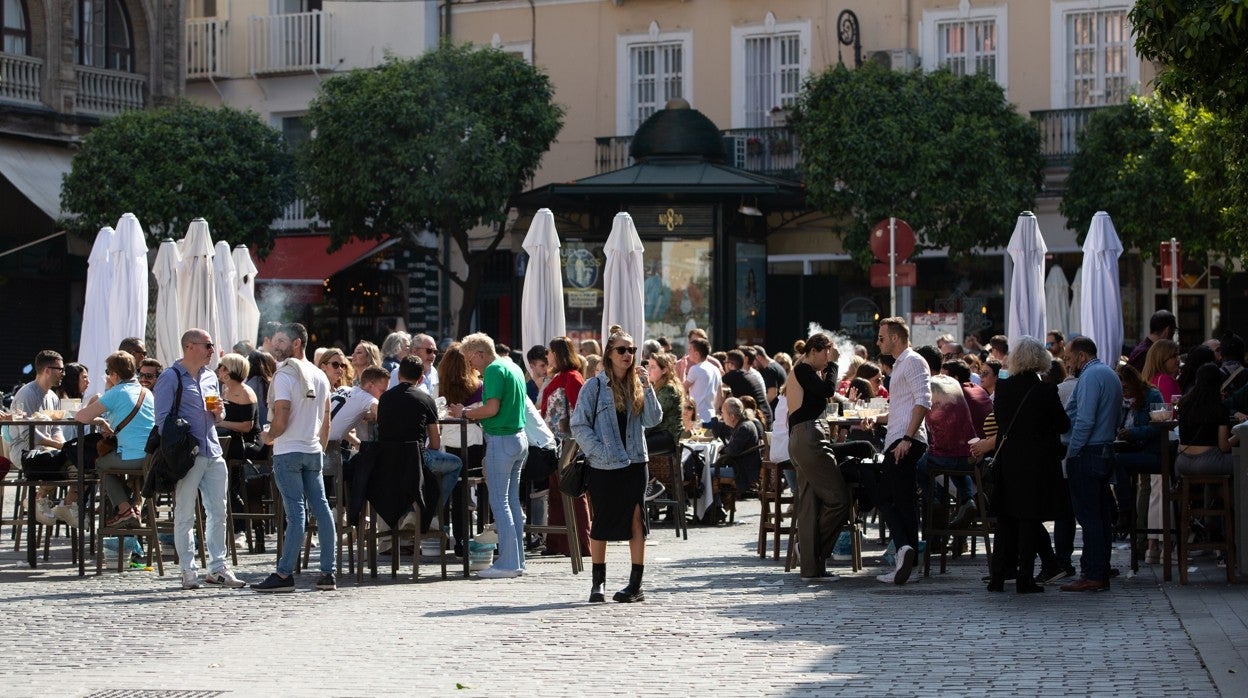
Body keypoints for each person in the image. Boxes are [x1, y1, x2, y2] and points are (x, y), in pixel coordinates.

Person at [570, 328, 662, 603]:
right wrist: (598, 452)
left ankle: (636, 585)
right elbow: (579, 424)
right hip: (604, 465)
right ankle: (598, 584)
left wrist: (647, 387)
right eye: (622, 350)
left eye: (632, 350)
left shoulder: (637, 383)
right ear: (609, 354)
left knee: (636, 519)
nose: (628, 355)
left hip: (635, 461)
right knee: (601, 521)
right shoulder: (594, 386)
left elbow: (653, 420)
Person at [157, 329, 245, 590]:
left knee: (218, 511)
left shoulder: (210, 377)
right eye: (208, 345)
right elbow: (161, 421)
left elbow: (218, 415)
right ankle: (188, 570)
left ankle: (218, 568)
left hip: (214, 450)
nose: (211, 350)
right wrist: (180, 448)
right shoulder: (170, 377)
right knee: (185, 513)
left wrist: (220, 412)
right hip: (189, 454)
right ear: (190, 346)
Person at [984, 336, 1071, 594]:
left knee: (1006, 520)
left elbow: (1000, 419)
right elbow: (1063, 424)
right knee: (1029, 521)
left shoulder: (1004, 388)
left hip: (1009, 460)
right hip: (1036, 464)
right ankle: (1025, 578)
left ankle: (997, 577)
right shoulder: (1045, 390)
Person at [254, 323, 337, 593]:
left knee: (296, 512)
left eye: (281, 341)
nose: (275, 346)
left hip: (288, 449)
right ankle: (328, 572)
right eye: (274, 341)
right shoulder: (321, 375)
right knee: (322, 510)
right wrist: (320, 448)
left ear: (297, 343)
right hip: (312, 449)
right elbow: (326, 420)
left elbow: (281, 417)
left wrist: (269, 437)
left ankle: (284, 573)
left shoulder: (284, 375)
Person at [449, 333, 529, 579]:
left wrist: (464, 413)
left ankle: (507, 563)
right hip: (518, 438)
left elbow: (492, 408)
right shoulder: (511, 365)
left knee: (500, 502)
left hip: (502, 439)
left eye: (469, 359)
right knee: (512, 502)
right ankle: (517, 560)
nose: (469, 365)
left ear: (480, 354)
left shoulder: (494, 370)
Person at [782, 332, 852, 581]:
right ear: (815, 351)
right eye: (826, 353)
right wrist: (834, 364)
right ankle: (808, 551)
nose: (828, 359)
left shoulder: (803, 369)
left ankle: (812, 567)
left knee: (810, 505)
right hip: (809, 437)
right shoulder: (803, 369)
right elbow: (827, 390)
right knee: (839, 499)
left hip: (803, 438)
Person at [871, 317, 931, 585]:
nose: (878, 342)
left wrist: (907, 438)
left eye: (881, 337)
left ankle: (906, 551)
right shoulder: (900, 365)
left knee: (888, 495)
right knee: (899, 498)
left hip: (905, 440)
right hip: (899, 437)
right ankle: (908, 556)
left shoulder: (914, 361)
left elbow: (923, 401)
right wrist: (877, 418)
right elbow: (903, 406)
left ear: (895, 337)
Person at [1060, 336, 1122, 592]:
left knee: (1090, 517)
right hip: (1104, 449)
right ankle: (1099, 569)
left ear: (1082, 356)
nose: (1067, 362)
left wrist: (1073, 452)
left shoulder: (1090, 376)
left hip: (1089, 452)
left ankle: (1094, 573)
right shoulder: (1108, 373)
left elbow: (1084, 419)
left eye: (1069, 357)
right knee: (1100, 516)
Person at [378, 356, 462, 532]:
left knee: (410, 472)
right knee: (456, 464)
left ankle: (411, 511)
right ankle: (432, 513)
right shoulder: (426, 399)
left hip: (387, 461)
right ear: (421, 378)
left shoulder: (384, 399)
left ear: (399, 375)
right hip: (417, 458)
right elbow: (436, 442)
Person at [74, 351, 155, 527]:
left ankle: (125, 509)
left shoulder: (116, 392)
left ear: (114, 374)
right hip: (152, 458)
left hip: (132, 458)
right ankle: (135, 506)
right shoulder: (146, 392)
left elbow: (81, 416)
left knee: (101, 464)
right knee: (114, 464)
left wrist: (101, 420)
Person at [540, 337, 590, 557]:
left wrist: (577, 445)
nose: (547, 356)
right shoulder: (559, 377)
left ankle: (579, 543)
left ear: (558, 353)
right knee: (557, 494)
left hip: (568, 445)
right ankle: (558, 544)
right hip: (554, 443)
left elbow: (580, 412)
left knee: (573, 493)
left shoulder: (572, 377)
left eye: (550, 352)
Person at [1114, 363, 1165, 561]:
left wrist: (1132, 433)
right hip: (1131, 448)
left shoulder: (1152, 396)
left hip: (1151, 452)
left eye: (1125, 388)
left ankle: (1124, 511)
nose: (1123, 393)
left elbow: (1158, 426)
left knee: (1118, 462)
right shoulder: (1122, 402)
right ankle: (1121, 511)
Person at [214, 352, 262, 548]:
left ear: (229, 371)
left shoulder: (244, 392)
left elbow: (247, 426)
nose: (218, 370)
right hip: (230, 441)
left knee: (232, 478)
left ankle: (240, 529)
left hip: (248, 443)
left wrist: (221, 421)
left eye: (221, 366)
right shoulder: (225, 390)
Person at [717, 397, 763, 495]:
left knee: (707, 473)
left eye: (723, 413)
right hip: (742, 468)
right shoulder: (743, 424)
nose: (722, 416)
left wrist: (722, 449)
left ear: (732, 416)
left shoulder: (744, 428)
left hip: (742, 472)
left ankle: (714, 508)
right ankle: (717, 507)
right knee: (709, 470)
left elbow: (732, 451)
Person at [721, 349, 772, 425]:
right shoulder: (747, 375)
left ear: (730, 364)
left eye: (725, 362)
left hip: (755, 420)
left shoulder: (733, 375)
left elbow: (716, 388)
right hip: (764, 417)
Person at [684, 337, 722, 427]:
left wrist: (682, 370)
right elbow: (721, 395)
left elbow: (682, 389)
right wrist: (715, 411)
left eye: (690, 350)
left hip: (699, 419)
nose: (688, 352)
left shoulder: (695, 369)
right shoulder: (716, 369)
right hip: (712, 417)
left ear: (696, 354)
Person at [1140, 339, 1181, 403]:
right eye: (1174, 356)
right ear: (1161, 359)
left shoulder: (1149, 379)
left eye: (1178, 355)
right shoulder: (1166, 380)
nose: (1178, 359)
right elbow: (1173, 411)